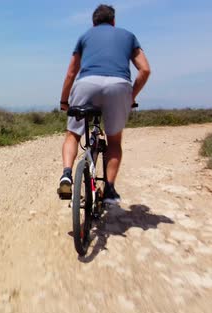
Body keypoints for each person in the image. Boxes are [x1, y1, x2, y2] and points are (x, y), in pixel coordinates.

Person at [58, 4, 151, 204]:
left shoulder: (85, 37)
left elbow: (70, 73)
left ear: (94, 23)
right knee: (114, 141)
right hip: (119, 86)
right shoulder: (128, 36)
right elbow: (145, 70)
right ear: (113, 22)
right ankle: (109, 189)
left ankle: (66, 173)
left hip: (87, 84)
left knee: (73, 134)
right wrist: (131, 96)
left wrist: (64, 101)